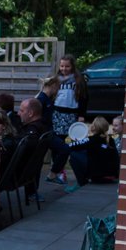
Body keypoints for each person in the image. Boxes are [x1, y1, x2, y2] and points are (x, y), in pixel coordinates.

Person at [45, 55, 87, 184]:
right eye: (62, 66)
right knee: (57, 144)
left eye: (67, 66)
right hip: (57, 114)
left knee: (65, 143)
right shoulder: (55, 80)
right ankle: (57, 170)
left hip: (71, 115)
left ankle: (58, 171)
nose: (64, 68)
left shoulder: (79, 80)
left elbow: (84, 98)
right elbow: (49, 97)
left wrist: (81, 115)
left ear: (72, 66)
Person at [68, 116, 120, 186]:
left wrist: (78, 141)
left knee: (74, 155)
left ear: (94, 127)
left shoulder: (91, 139)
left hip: (97, 177)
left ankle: (81, 183)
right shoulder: (111, 140)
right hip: (112, 175)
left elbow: (71, 146)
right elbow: (114, 156)